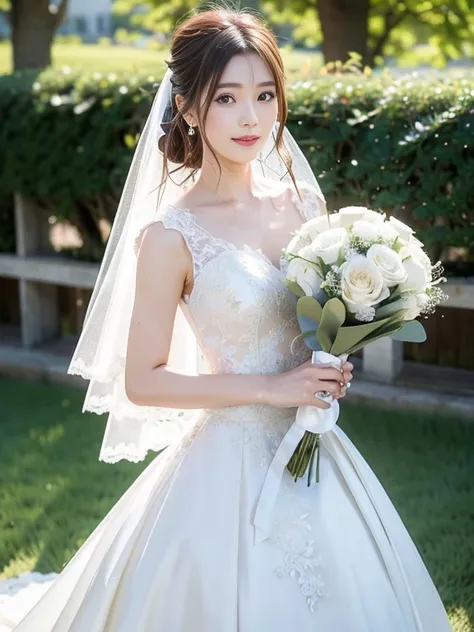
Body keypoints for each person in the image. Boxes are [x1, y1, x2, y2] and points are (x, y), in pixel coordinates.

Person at [7, 7, 452, 632]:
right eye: (228, 99)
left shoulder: (304, 204)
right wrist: (271, 388)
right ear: (189, 109)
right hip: (226, 460)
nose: (252, 117)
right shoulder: (169, 236)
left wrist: (330, 359)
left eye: (266, 95)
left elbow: (313, 321)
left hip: (313, 447)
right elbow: (145, 380)